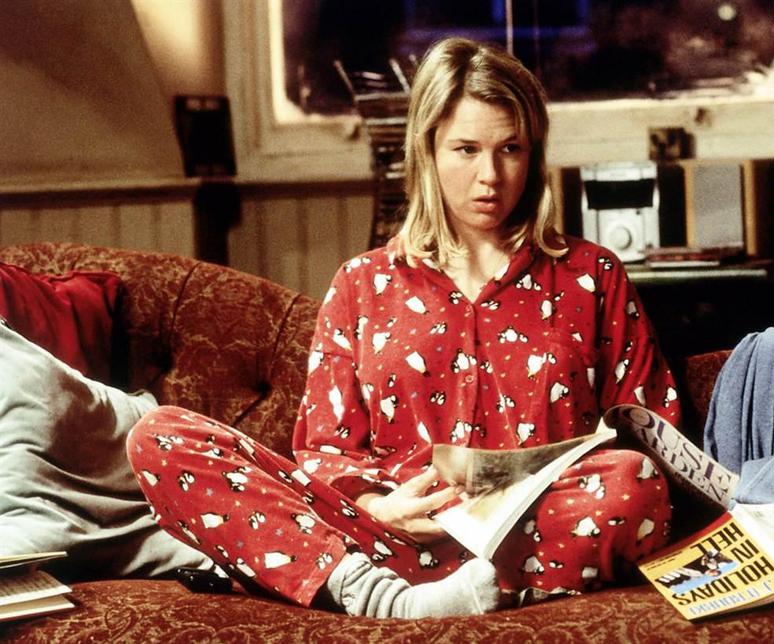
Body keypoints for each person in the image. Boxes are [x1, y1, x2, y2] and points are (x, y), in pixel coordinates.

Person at [125, 37, 680, 619]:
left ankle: (455, 590)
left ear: (534, 155)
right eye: (466, 149)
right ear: (427, 150)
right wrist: (379, 508)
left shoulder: (592, 276)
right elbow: (324, 450)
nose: (490, 175)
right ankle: (386, 596)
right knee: (159, 436)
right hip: (382, 542)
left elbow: (653, 434)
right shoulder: (361, 283)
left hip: (538, 530)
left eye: (510, 149)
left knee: (635, 480)